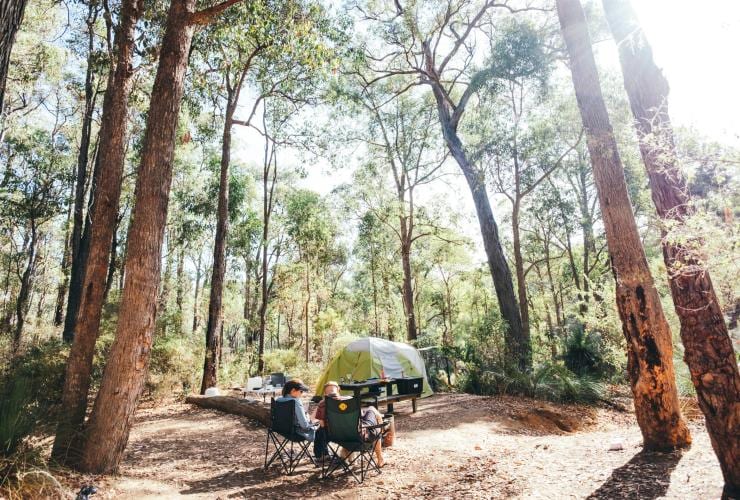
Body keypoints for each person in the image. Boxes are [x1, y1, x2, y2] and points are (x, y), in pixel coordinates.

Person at [315, 380, 385, 467]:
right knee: (373, 417)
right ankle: (380, 459)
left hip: (335, 436)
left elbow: (322, 425)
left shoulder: (321, 404)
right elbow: (360, 416)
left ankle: (346, 455)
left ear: (325, 393)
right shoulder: (349, 400)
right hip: (357, 436)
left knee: (347, 427)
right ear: (339, 390)